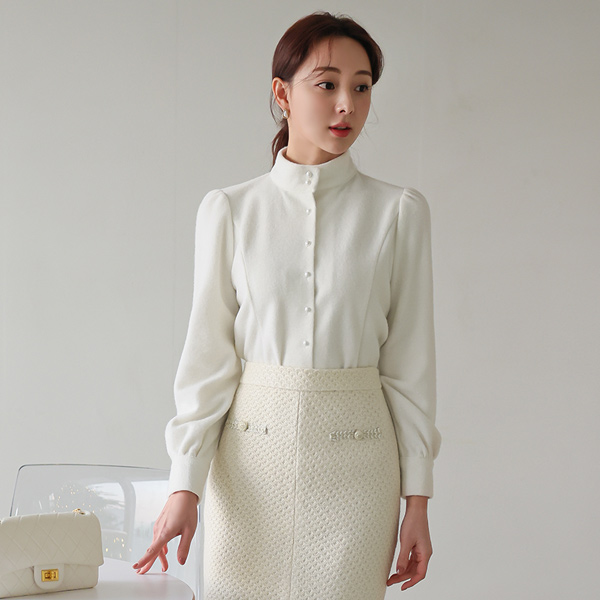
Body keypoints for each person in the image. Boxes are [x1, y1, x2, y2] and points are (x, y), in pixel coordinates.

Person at [132, 10, 441, 599]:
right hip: (249, 467)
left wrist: (417, 501)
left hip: (359, 471)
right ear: (282, 93)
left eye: (362, 87)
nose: (347, 104)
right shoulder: (230, 209)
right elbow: (208, 358)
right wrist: (184, 485)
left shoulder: (399, 212)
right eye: (326, 84)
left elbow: (410, 368)